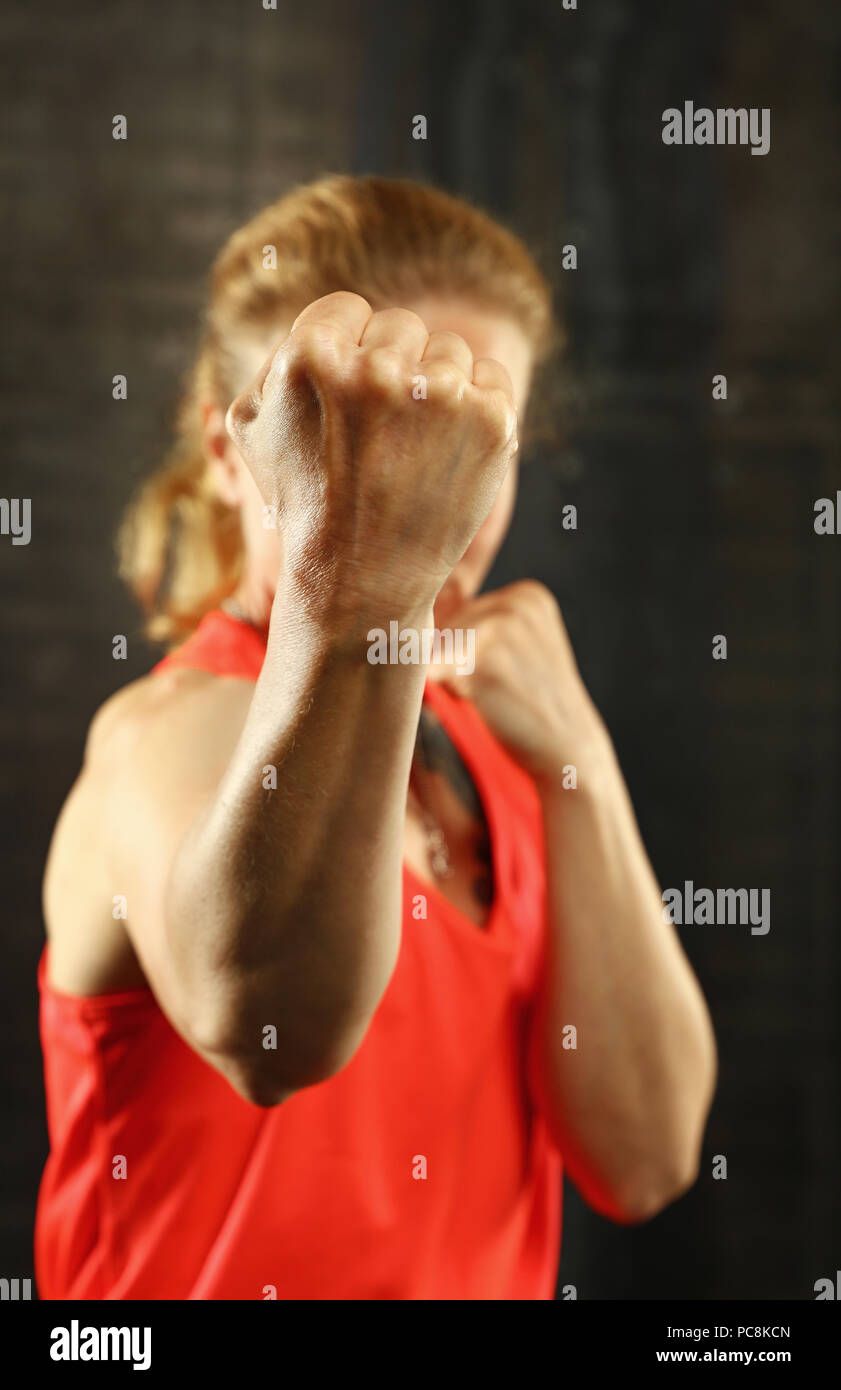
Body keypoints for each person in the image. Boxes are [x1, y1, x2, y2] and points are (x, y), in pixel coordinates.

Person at [35, 174, 717, 1300]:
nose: (434, 494)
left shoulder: (506, 756)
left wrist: (580, 767)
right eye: (377, 427)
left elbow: (645, 1158)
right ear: (226, 449)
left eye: (469, 445)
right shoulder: (163, 738)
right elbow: (270, 1032)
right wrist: (372, 585)